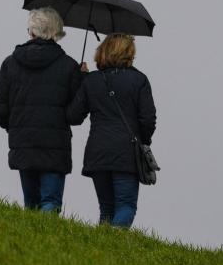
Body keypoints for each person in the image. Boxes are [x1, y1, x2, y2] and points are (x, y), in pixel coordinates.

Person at [0, 7, 83, 212]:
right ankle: (48, 242)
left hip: (23, 141)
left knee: (30, 205)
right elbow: (75, 115)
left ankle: (30, 243)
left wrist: (12, 125)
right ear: (56, 32)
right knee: (50, 202)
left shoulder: (10, 63)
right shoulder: (69, 67)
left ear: (32, 31)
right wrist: (82, 80)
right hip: (55, 145)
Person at [67, 33, 156, 228]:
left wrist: (80, 80)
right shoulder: (139, 80)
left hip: (97, 152)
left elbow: (73, 116)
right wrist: (144, 141)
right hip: (127, 152)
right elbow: (148, 120)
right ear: (129, 53)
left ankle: (103, 252)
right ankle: (113, 240)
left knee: (106, 208)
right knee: (126, 206)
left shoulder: (91, 81)